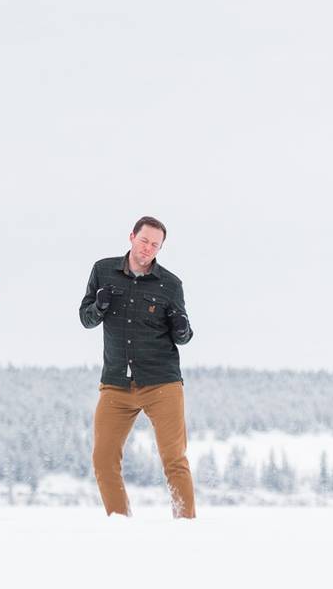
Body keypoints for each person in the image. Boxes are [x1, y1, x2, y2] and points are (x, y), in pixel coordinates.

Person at [78, 216, 196, 518]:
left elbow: (183, 337)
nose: (148, 248)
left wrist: (181, 327)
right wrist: (99, 306)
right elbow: (86, 319)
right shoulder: (103, 270)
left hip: (161, 383)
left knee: (174, 459)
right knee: (103, 459)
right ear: (132, 237)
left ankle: (186, 525)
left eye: (155, 245)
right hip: (116, 384)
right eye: (144, 240)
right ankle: (120, 522)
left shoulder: (170, 284)